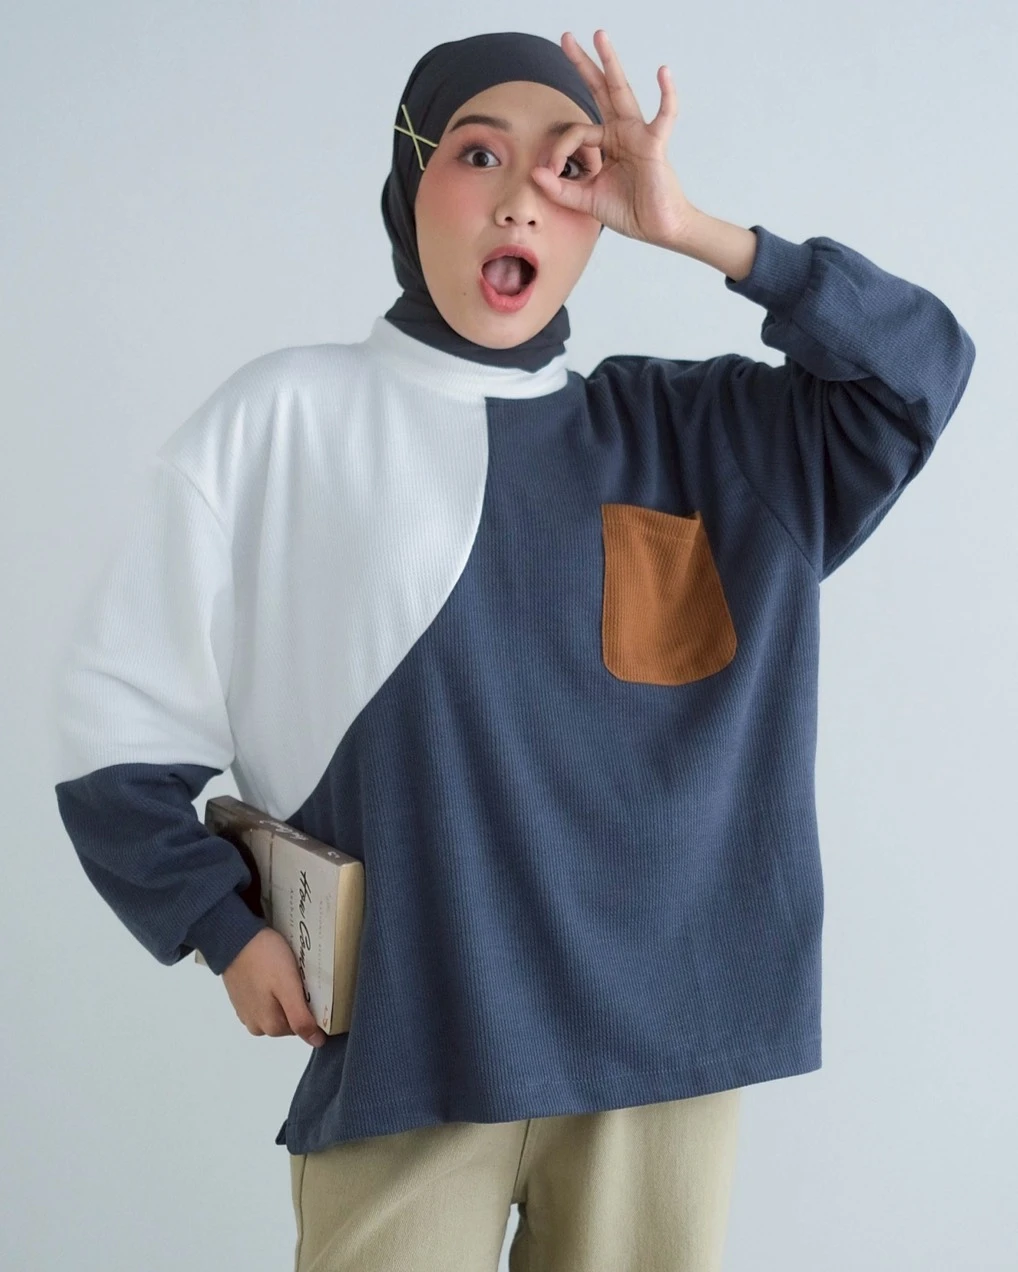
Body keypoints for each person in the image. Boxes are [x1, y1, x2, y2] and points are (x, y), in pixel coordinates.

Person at [51, 27, 976, 1272]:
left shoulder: (699, 439)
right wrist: (219, 926)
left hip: (661, 1060)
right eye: (478, 153)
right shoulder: (281, 422)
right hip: (409, 1047)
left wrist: (703, 233)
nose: (521, 199)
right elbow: (111, 724)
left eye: (571, 166)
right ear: (408, 177)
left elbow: (920, 371)